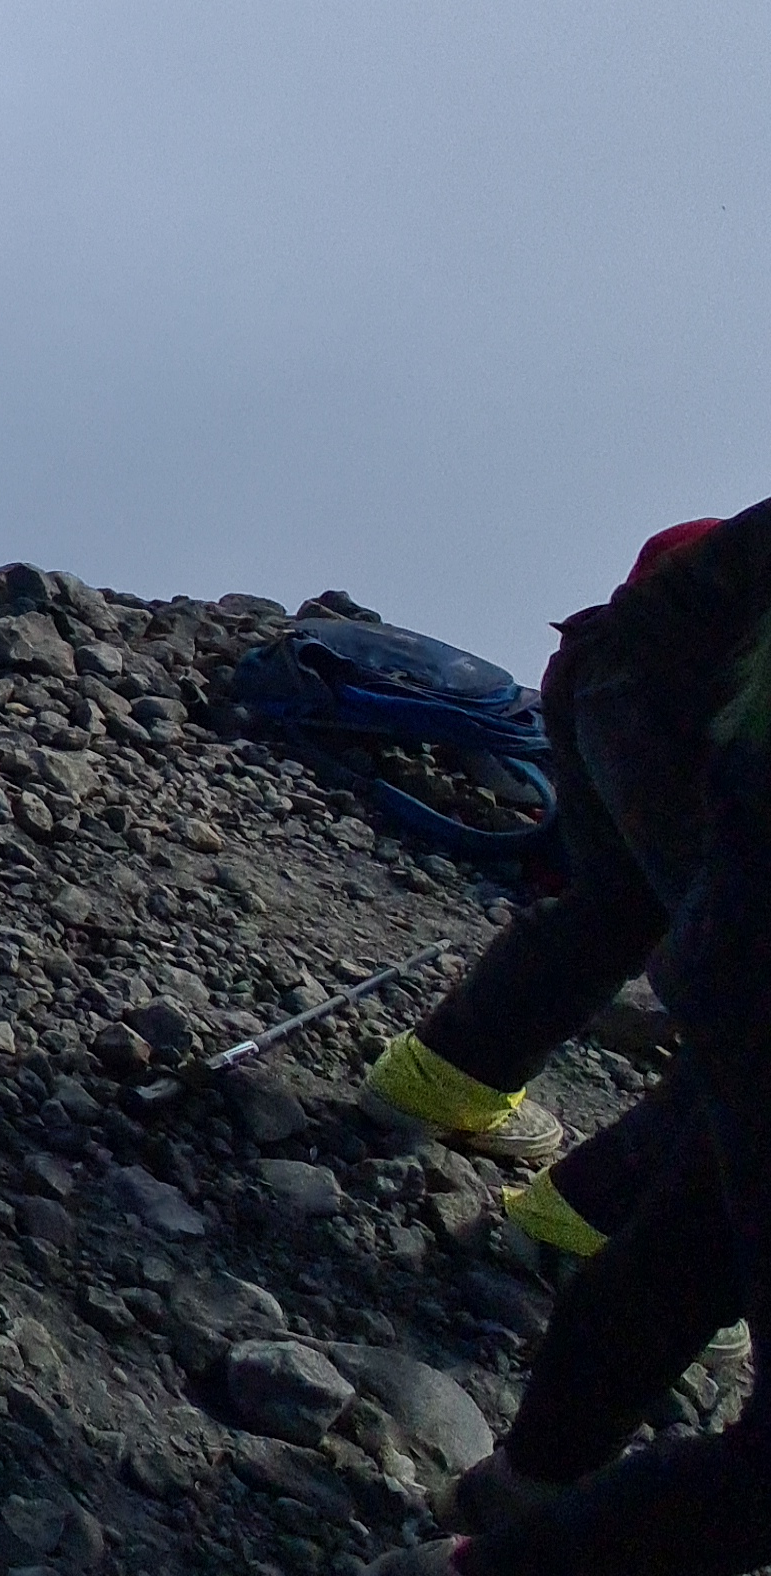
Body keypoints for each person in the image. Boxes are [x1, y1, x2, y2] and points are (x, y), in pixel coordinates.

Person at [386, 500, 771, 1575]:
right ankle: (577, 1214)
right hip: (689, 732)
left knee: (640, 940)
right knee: (719, 1077)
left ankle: (523, 1491)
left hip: (624, 677)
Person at [366, 520, 753, 1178]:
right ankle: (604, 1220)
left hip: (604, 666)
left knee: (617, 908)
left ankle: (439, 1083)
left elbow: (673, 559)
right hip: (682, 705)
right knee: (748, 984)